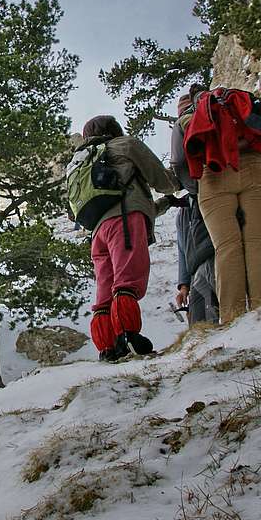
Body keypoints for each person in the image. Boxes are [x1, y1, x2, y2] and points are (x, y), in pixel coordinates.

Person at [79, 114, 181, 363]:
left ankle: (107, 346)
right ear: (116, 129)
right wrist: (179, 182)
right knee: (127, 279)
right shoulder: (125, 145)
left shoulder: (82, 160)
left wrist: (163, 206)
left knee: (105, 288)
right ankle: (128, 334)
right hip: (124, 221)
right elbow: (162, 181)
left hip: (97, 232)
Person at [180, 87, 261, 325]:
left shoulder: (189, 116)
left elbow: (177, 160)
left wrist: (192, 188)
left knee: (227, 247)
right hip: (255, 167)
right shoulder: (235, 100)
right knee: (257, 241)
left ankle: (234, 317)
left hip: (213, 173)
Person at [168, 88, 219, 325]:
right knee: (200, 330)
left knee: (217, 320)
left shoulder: (214, 188)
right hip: (198, 271)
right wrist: (183, 284)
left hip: (216, 259)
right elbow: (181, 248)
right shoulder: (185, 207)